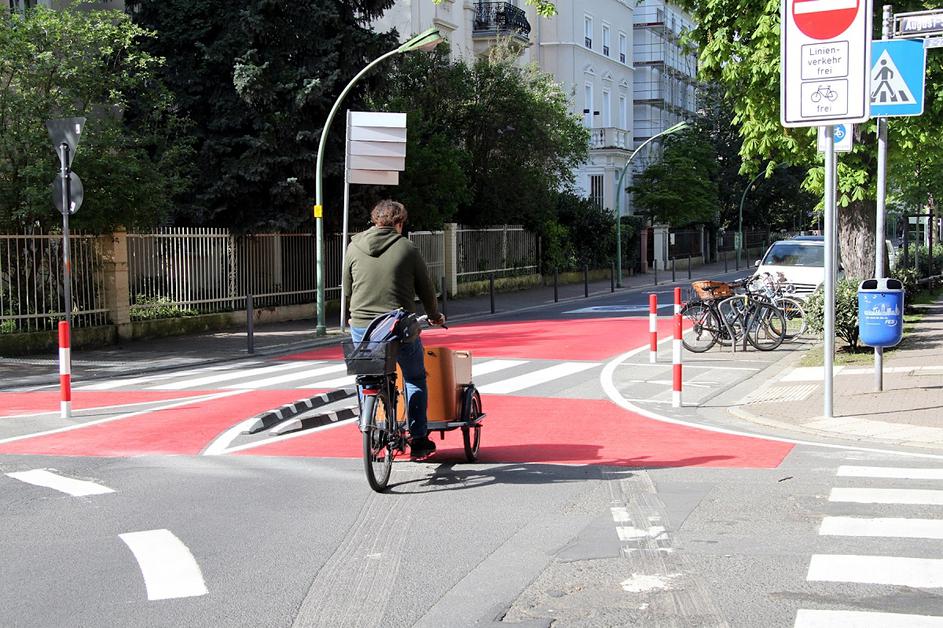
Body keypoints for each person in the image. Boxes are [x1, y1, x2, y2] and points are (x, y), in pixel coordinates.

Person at [342, 199, 445, 459]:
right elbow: (426, 289)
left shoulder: (353, 246)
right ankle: (419, 439)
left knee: (366, 376)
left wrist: (355, 316)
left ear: (375, 220)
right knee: (414, 377)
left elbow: (347, 288)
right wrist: (434, 316)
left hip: (362, 326)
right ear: (399, 223)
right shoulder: (407, 248)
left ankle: (369, 423)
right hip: (397, 326)